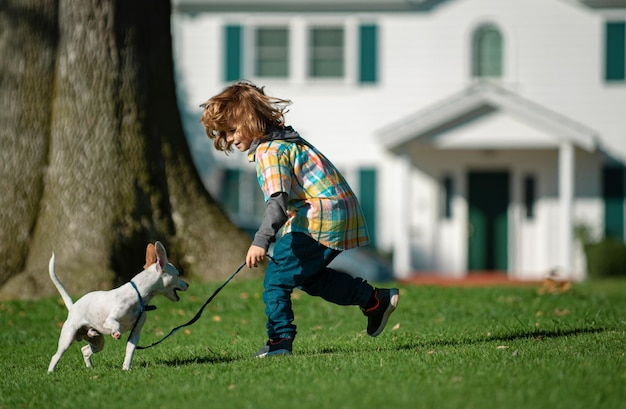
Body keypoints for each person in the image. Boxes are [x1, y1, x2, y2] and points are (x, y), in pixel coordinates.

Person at [199, 81, 399, 357]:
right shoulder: (284, 141)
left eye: (233, 130)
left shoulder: (270, 152)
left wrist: (260, 241)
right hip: (335, 210)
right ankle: (374, 300)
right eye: (225, 133)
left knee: (276, 280)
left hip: (319, 215)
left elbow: (277, 202)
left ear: (250, 120)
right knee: (309, 278)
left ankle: (279, 342)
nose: (231, 138)